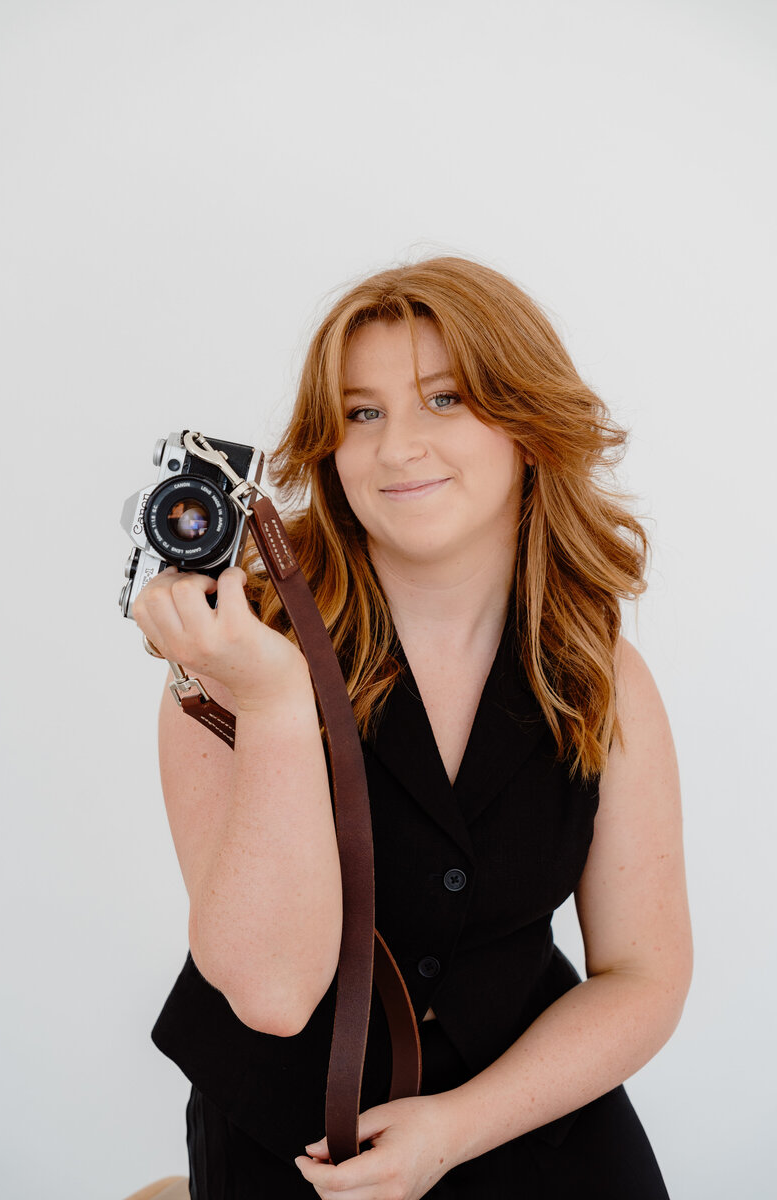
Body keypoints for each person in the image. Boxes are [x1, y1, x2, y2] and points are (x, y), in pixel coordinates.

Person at [131, 256, 692, 1199]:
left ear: (528, 426)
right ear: (330, 447)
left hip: (530, 1115)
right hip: (295, 1144)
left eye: (444, 400)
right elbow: (271, 994)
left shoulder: (599, 672)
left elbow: (642, 975)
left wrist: (459, 1127)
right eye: (363, 413)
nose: (397, 448)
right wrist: (273, 706)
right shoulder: (232, 661)